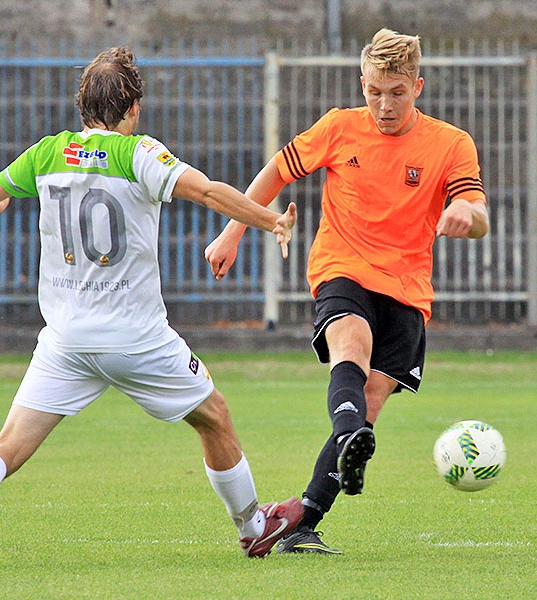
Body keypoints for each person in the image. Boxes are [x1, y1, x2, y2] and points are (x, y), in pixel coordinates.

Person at [0, 47, 303, 568]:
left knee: (9, 445)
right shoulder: (139, 153)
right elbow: (212, 193)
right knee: (213, 416)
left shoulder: (48, 153)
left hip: (66, 340)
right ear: (133, 109)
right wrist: (271, 221)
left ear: (82, 106)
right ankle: (253, 528)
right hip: (135, 338)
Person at [205, 28, 489, 554]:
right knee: (351, 350)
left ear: (418, 87)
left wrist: (463, 215)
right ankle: (352, 440)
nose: (384, 105)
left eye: (397, 92)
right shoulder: (339, 127)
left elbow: (478, 213)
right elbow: (276, 172)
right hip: (343, 268)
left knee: (369, 402)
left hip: (407, 290)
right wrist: (233, 231)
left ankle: (305, 518)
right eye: (375, 91)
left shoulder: (451, 144)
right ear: (363, 84)